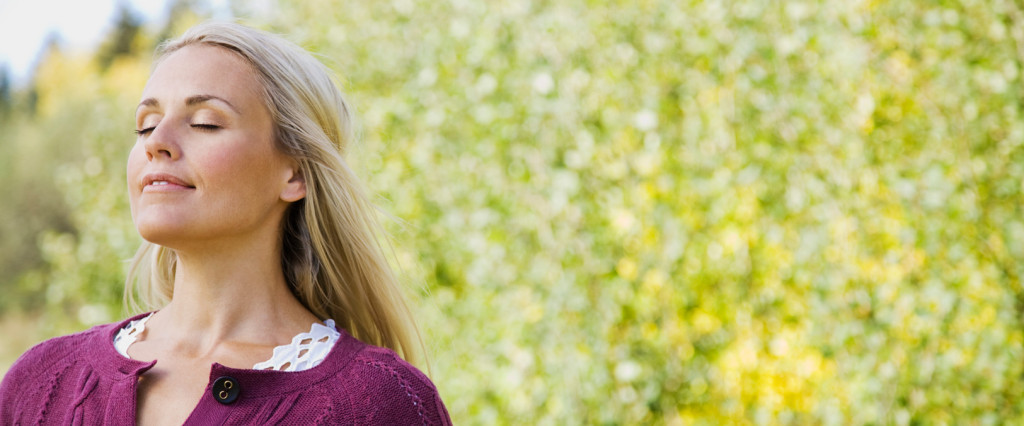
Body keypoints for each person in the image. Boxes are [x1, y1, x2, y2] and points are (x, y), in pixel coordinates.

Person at [0, 21, 452, 425]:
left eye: (204, 123)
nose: (157, 142)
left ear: (294, 173)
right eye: (145, 125)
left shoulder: (381, 404)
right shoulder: (39, 381)